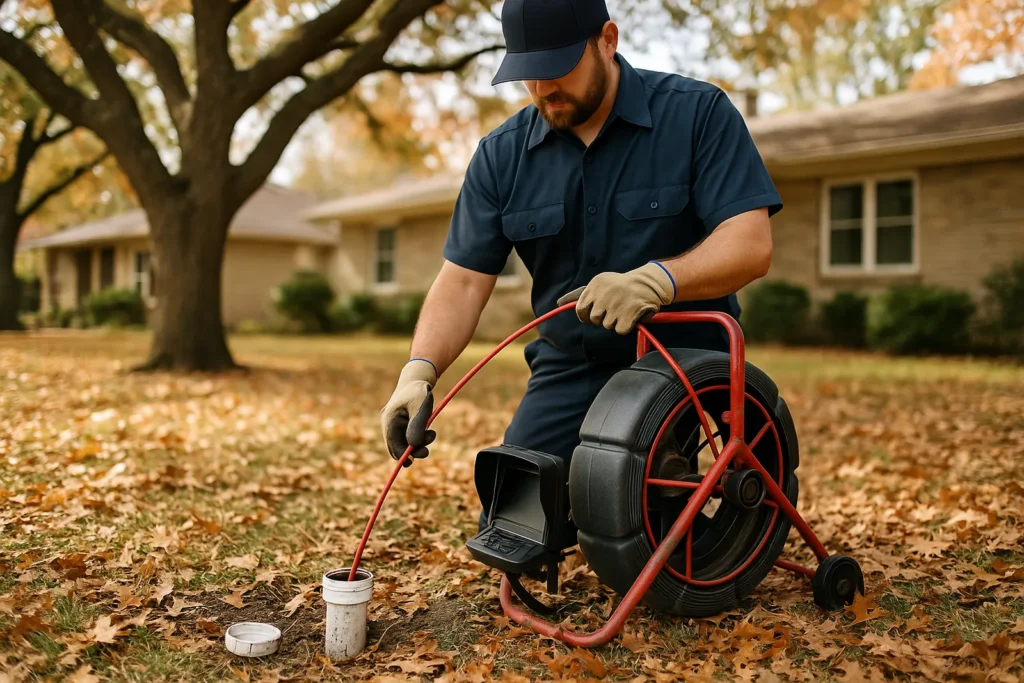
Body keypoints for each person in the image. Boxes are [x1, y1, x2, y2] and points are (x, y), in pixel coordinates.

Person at [380, 0, 782, 534]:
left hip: (683, 360)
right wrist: (418, 371)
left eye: (558, 66)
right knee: (516, 522)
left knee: (635, 507)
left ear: (608, 41)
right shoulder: (501, 156)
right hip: (569, 363)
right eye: (527, 74)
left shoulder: (697, 114)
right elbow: (462, 280)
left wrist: (657, 280)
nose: (543, 88)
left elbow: (750, 242)